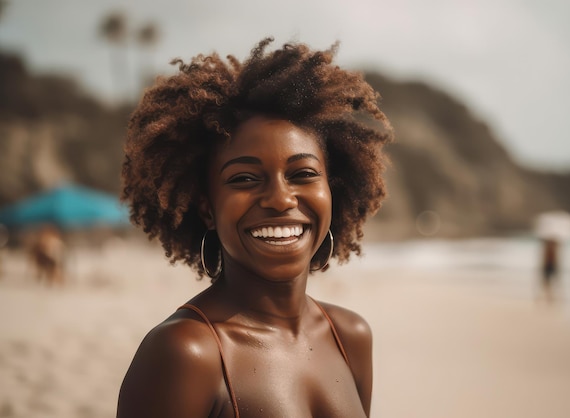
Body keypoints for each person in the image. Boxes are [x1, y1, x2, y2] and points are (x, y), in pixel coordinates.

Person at [117, 37, 392, 418]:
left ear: (334, 189)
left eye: (302, 174)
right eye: (244, 178)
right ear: (208, 209)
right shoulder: (186, 352)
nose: (281, 199)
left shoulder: (350, 336)